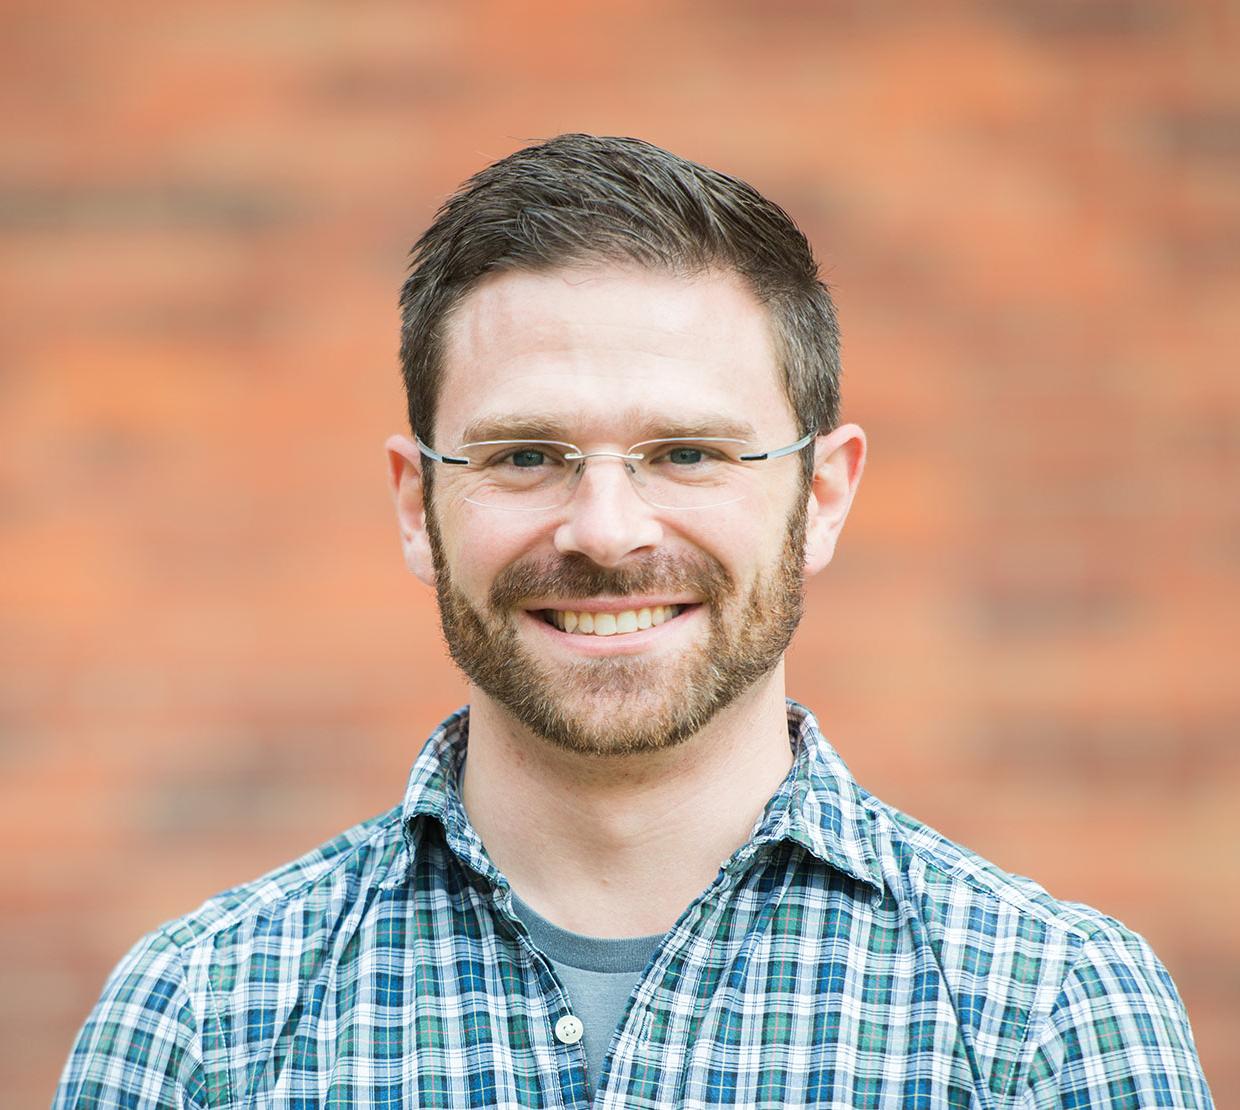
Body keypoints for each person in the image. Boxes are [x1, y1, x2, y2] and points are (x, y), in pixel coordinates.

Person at [56, 133, 1211, 1109]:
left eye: (688, 453)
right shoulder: (204, 1024)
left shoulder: (1048, 1016)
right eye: (525, 455)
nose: (605, 532)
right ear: (418, 504)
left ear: (821, 497)